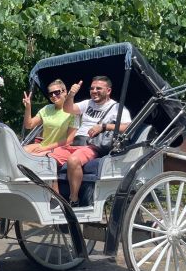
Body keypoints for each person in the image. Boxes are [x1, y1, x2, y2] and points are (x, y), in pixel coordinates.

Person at [48, 76, 131, 206]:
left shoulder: (116, 108)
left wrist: (104, 126)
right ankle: (56, 196)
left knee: (73, 160)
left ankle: (74, 199)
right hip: (75, 143)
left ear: (108, 91)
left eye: (99, 88)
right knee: (48, 158)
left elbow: (127, 127)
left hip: (92, 145)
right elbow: (67, 109)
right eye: (92, 88)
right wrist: (71, 94)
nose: (94, 91)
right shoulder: (87, 103)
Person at [22, 79, 78, 155]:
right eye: (50, 94)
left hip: (60, 149)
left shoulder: (74, 111)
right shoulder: (47, 109)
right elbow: (29, 125)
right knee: (21, 152)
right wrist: (28, 107)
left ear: (64, 92)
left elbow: (69, 140)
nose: (53, 96)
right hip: (43, 146)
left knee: (34, 157)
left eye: (57, 92)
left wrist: (44, 149)